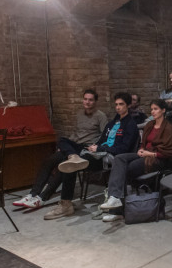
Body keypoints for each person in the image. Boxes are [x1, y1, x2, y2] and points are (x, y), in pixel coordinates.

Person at [45, 92, 139, 220]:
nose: (118, 107)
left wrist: (99, 148)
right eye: (116, 104)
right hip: (95, 152)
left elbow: (123, 149)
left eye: (121, 104)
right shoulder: (112, 123)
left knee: (70, 165)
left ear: (128, 105)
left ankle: (66, 204)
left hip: (107, 157)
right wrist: (94, 147)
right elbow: (101, 140)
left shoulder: (130, 125)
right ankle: (73, 156)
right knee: (63, 141)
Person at [14, 89, 107, 208]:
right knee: (50, 158)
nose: (87, 102)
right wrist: (65, 147)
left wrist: (96, 146)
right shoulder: (79, 114)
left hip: (86, 148)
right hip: (74, 147)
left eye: (90, 100)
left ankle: (42, 198)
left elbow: (105, 136)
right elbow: (75, 134)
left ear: (95, 102)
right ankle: (32, 194)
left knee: (65, 165)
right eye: (85, 99)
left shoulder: (101, 116)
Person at [99, 100, 172, 213]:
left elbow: (171, 152)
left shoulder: (168, 128)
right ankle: (114, 198)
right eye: (151, 109)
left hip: (158, 158)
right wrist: (141, 149)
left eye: (156, 109)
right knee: (119, 158)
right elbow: (144, 143)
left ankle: (118, 210)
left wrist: (150, 154)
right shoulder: (150, 125)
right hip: (145, 154)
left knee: (126, 169)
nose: (153, 112)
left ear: (163, 110)